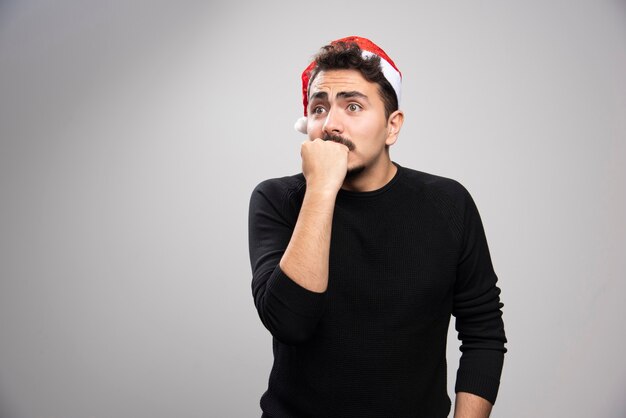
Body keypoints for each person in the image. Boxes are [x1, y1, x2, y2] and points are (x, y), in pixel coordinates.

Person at [248, 36, 507, 418]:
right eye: (318, 109)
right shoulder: (277, 200)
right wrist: (320, 187)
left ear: (392, 126)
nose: (331, 124)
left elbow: (483, 331)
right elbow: (290, 322)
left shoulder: (448, 203)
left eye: (353, 106)